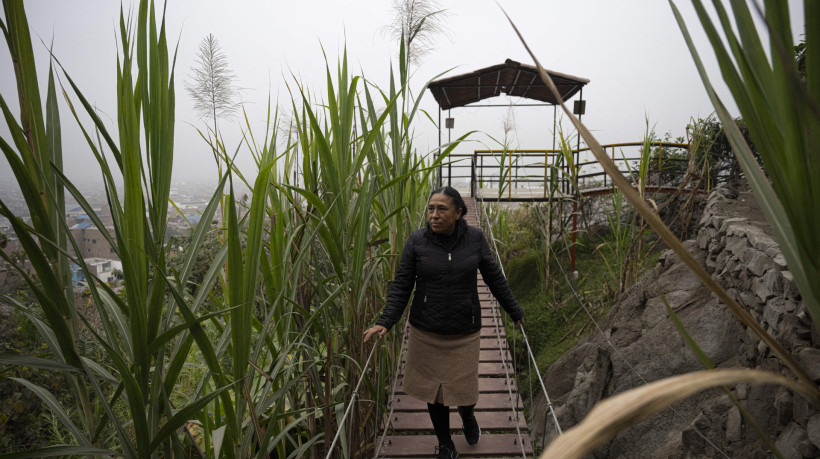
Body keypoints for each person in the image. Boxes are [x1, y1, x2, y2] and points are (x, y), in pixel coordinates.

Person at [364, 186, 524, 459]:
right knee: (434, 392)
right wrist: (386, 321)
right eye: (430, 209)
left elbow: (494, 278)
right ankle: (445, 442)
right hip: (426, 330)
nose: (434, 215)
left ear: (459, 213)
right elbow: (402, 285)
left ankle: (467, 415)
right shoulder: (417, 241)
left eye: (442, 209)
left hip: (465, 329)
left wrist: (514, 311)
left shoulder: (475, 239)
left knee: (465, 389)